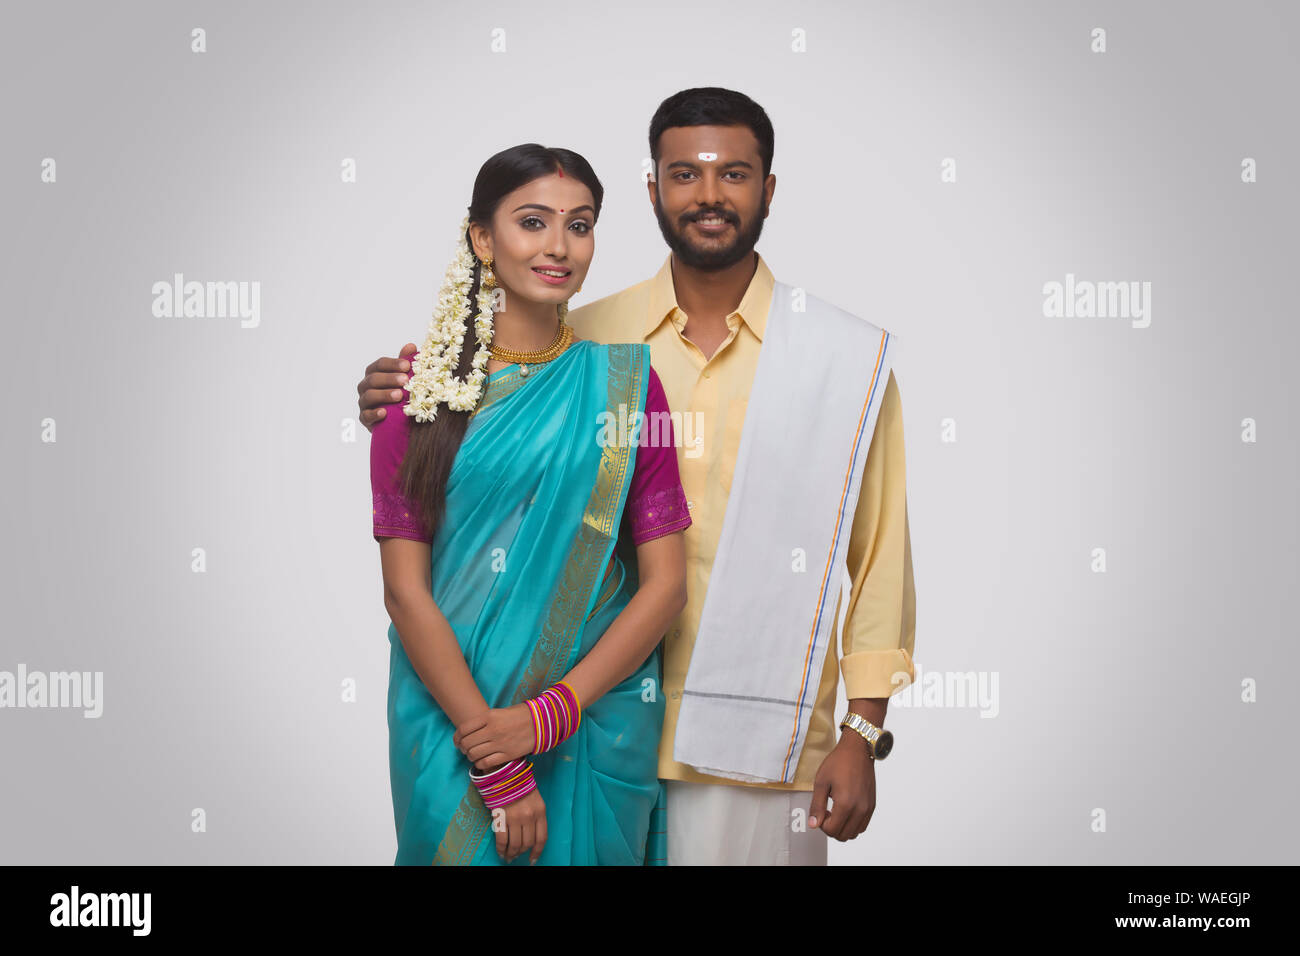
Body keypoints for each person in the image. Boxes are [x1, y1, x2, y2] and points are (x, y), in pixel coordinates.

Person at [359, 88, 916, 866]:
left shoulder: (842, 361)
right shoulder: (588, 337)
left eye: (736, 174)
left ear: (769, 189)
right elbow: (477, 442)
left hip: (751, 736)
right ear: (654, 190)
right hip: (570, 722)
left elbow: (879, 557)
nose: (711, 194)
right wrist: (393, 401)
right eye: (685, 173)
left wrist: (862, 729)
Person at [369, 143, 690, 865]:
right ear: (482, 238)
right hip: (451, 726)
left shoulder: (631, 387)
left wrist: (547, 719)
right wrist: (497, 754)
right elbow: (404, 593)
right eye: (533, 222)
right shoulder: (414, 395)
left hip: (590, 724)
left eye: (580, 225)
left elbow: (666, 585)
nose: (559, 246)